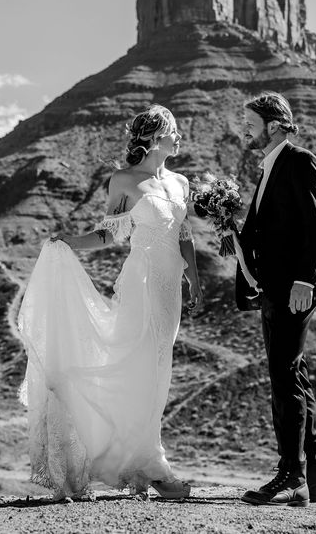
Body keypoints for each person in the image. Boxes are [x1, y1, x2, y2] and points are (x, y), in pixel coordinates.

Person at [13, 105, 203, 501]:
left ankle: (139, 461)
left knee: (158, 372)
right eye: (173, 131)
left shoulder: (181, 183)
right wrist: (69, 242)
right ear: (153, 139)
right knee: (142, 370)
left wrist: (194, 278)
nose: (179, 136)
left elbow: (184, 235)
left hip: (170, 289)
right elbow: (108, 235)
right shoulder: (124, 180)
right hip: (143, 283)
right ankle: (153, 467)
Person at [235, 91, 316, 507]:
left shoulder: (299, 160)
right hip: (273, 288)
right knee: (296, 377)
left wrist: (305, 280)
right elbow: (266, 231)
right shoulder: (268, 168)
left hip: (293, 288)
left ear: (273, 125)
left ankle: (290, 476)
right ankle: (314, 478)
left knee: (283, 378)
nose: (247, 131)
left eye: (252, 123)